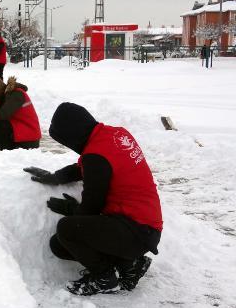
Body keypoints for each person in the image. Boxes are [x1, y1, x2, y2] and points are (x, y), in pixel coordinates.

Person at [24, 102, 162, 296]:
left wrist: (72, 210)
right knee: (60, 246)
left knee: (67, 229)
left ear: (72, 135)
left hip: (136, 230)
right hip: (143, 226)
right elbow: (89, 168)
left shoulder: (95, 156)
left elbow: (92, 206)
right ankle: (130, 264)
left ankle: (104, 278)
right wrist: (55, 177)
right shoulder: (112, 135)